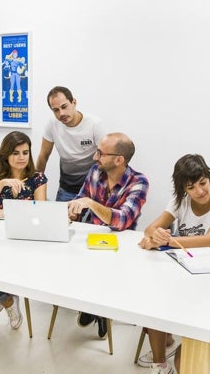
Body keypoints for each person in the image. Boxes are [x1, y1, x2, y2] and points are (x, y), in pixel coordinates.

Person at [137, 154, 210, 374]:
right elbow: (149, 229)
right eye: (191, 188)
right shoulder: (179, 202)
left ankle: (179, 346)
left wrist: (166, 241)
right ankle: (160, 364)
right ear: (183, 189)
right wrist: (154, 236)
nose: (200, 191)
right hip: (184, 268)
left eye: (202, 183)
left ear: (209, 177)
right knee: (153, 299)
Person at [67, 132, 149, 339]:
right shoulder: (95, 171)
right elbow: (80, 198)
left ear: (119, 159)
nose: (95, 157)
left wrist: (92, 204)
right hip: (89, 237)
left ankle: (98, 308)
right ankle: (94, 306)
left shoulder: (139, 182)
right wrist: (72, 210)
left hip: (119, 245)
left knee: (102, 274)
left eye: (101, 153)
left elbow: (123, 220)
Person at [0, 131, 48, 329]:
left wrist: (4, 212)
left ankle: (3, 296)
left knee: (1, 265)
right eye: (16, 153)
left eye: (25, 152)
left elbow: (40, 212)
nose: (21, 157)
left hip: (26, 239)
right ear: (6, 155)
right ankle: (7, 300)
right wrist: (1, 184)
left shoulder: (38, 178)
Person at [36, 86, 107, 202]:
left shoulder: (94, 124)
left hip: (93, 187)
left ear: (74, 102)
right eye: (56, 110)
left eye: (64, 106)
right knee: (60, 220)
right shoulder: (52, 124)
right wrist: (35, 184)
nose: (61, 113)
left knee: (90, 221)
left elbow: (106, 158)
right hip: (67, 188)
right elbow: (43, 155)